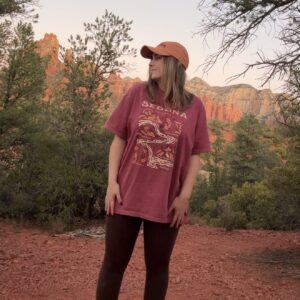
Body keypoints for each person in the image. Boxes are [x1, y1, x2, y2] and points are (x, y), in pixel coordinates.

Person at [96, 41, 211, 300]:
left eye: (159, 58)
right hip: (125, 194)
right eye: (151, 58)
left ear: (176, 66)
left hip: (166, 202)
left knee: (158, 270)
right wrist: (111, 184)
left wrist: (184, 197)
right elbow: (119, 140)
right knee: (113, 266)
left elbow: (196, 155)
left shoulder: (195, 106)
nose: (151, 62)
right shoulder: (137, 93)